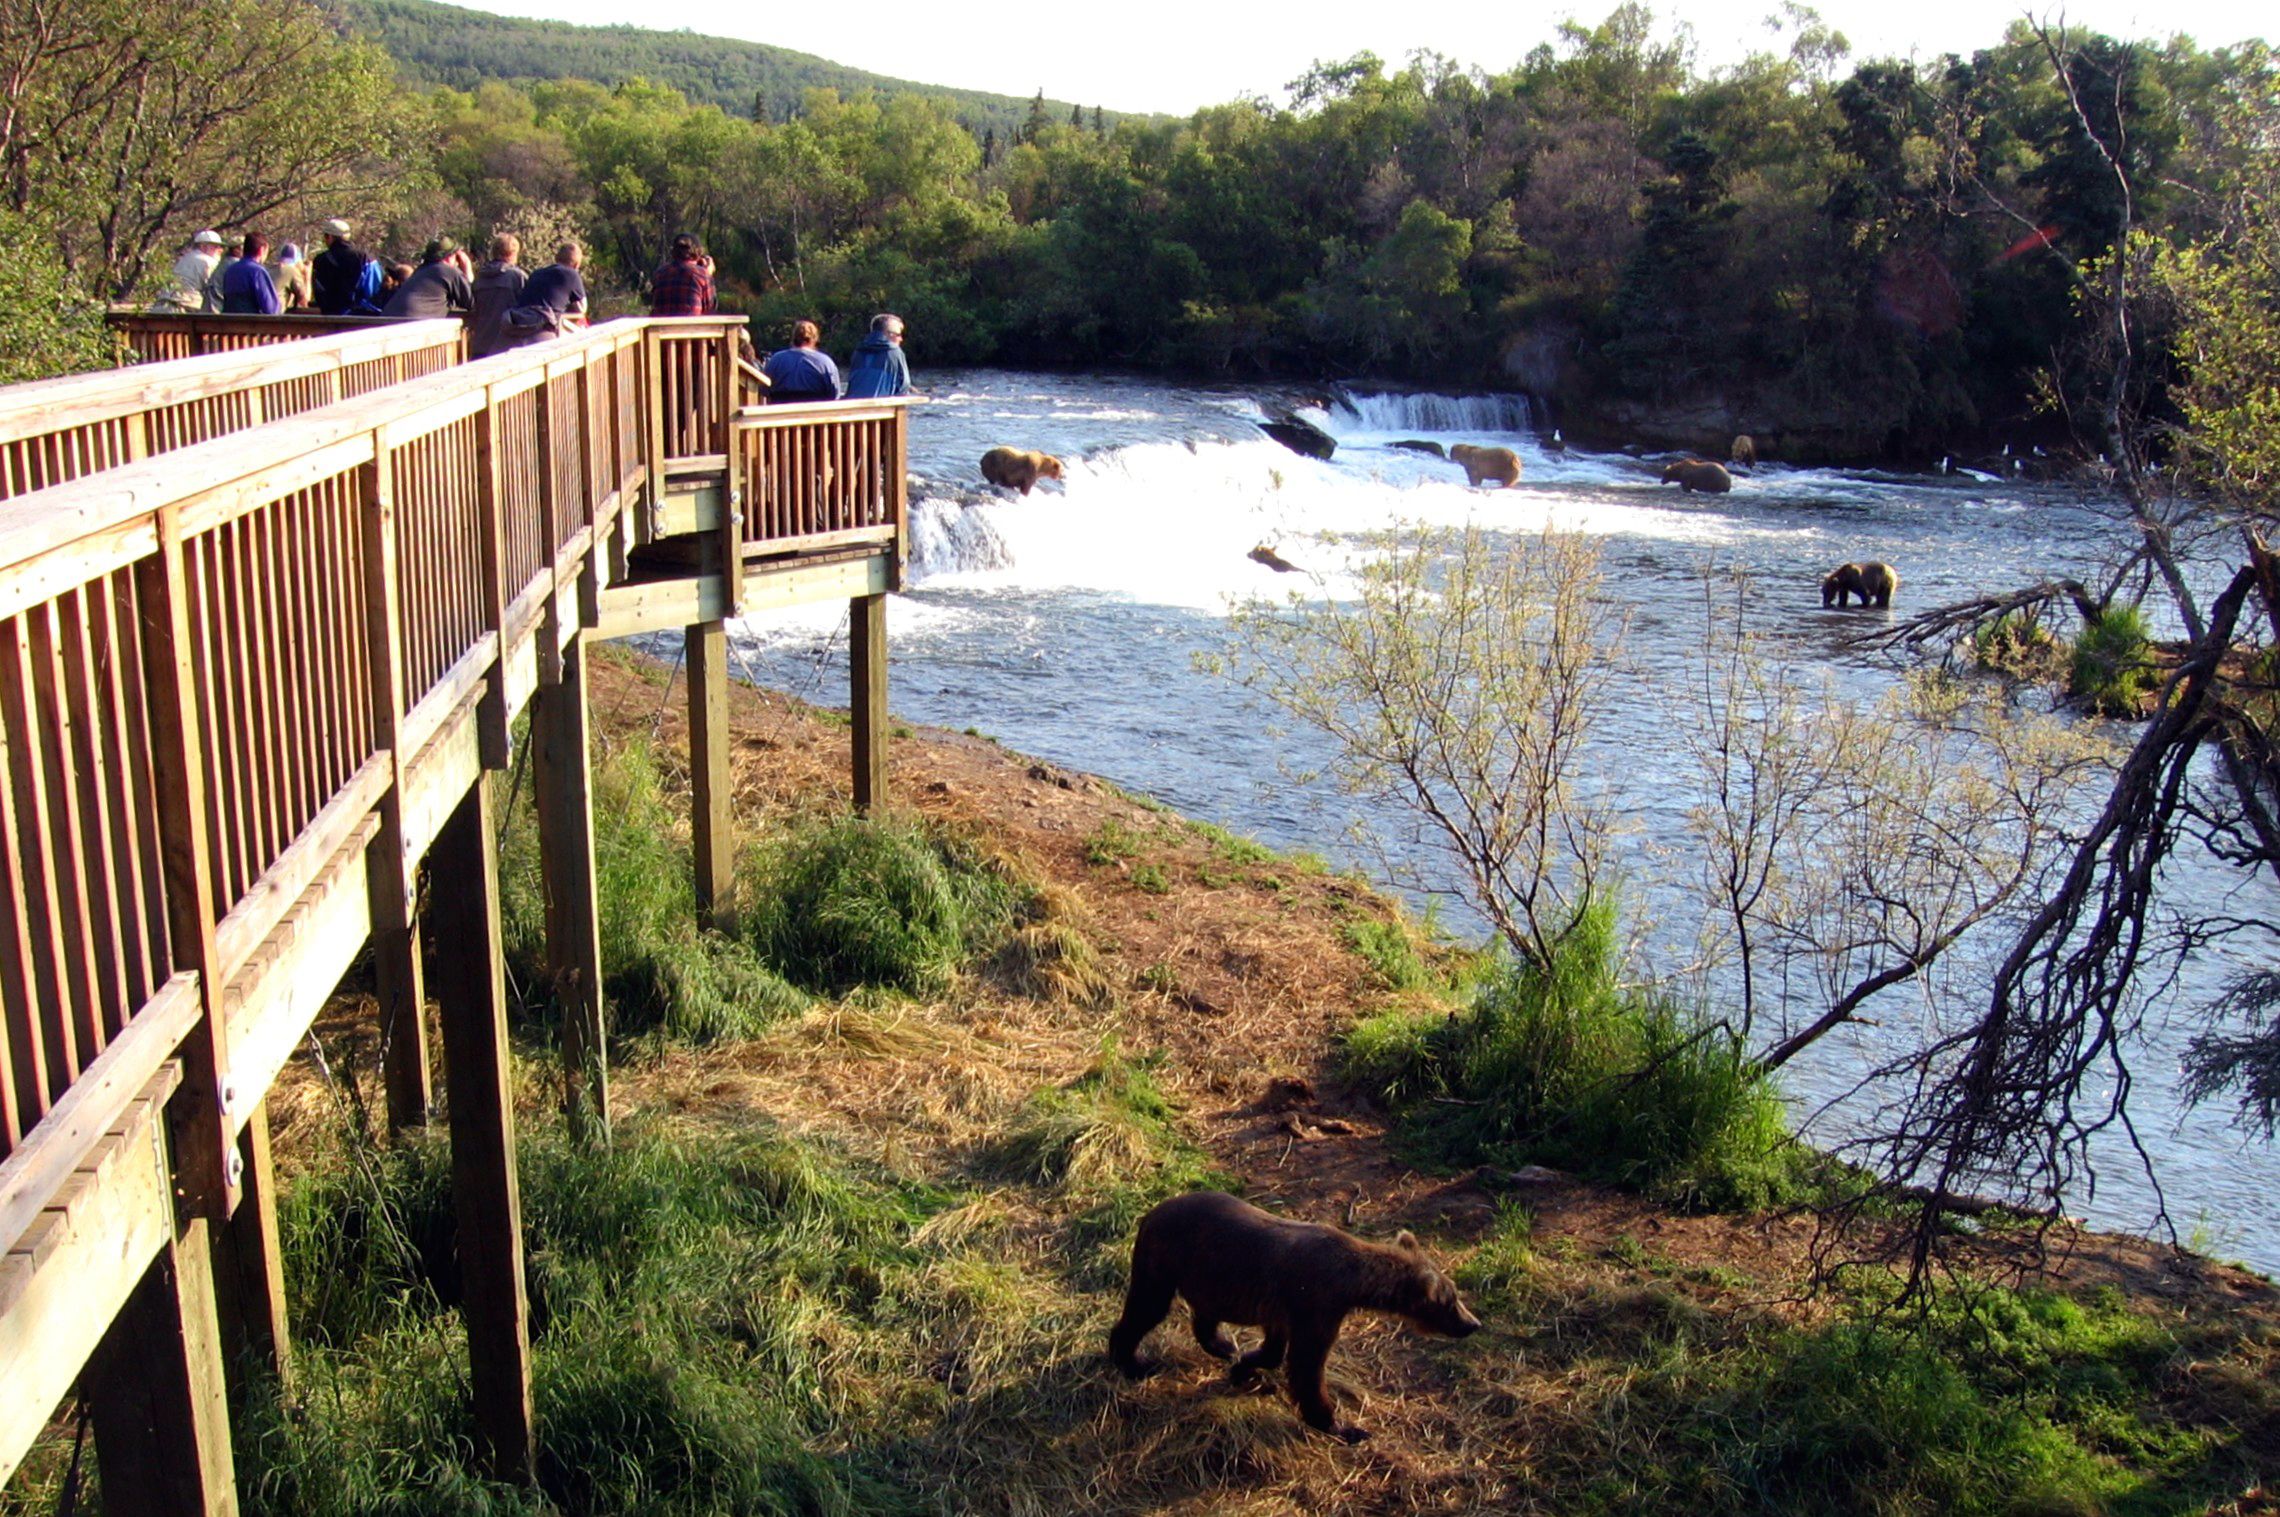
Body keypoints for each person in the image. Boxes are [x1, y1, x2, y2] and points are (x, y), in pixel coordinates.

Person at [497, 241, 590, 349]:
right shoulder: (572, 274)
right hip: (544, 331)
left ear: (556, 258)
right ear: (576, 265)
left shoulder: (536, 273)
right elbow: (582, 309)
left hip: (516, 329)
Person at [467, 233, 527, 358]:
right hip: (507, 346)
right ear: (513, 253)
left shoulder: (480, 277)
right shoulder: (517, 277)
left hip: (480, 344)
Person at [383, 238, 474, 319]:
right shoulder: (447, 271)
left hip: (385, 322)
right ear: (449, 257)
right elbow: (473, 303)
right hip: (411, 327)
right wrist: (467, 269)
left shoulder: (420, 270)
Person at [761, 319, 841, 403]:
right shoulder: (825, 362)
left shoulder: (775, 360)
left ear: (793, 337)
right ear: (814, 339)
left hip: (782, 413)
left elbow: (764, 390)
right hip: (815, 414)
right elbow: (835, 394)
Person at [152, 229, 225, 313]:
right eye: (216, 247)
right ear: (203, 246)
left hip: (162, 307)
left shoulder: (184, 259)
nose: (220, 250)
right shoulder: (208, 262)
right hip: (185, 309)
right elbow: (215, 290)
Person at [843, 312, 912, 399]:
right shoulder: (895, 352)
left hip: (854, 408)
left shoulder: (858, 351)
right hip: (882, 409)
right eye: (898, 335)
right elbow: (904, 386)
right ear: (888, 334)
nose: (901, 339)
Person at [311, 218, 372, 316]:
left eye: (325, 236)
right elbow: (373, 286)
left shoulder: (320, 260)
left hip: (330, 315)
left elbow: (318, 290)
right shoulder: (364, 257)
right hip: (360, 314)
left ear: (330, 237)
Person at [648, 233, 715, 317]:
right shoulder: (702, 274)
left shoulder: (660, 273)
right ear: (698, 252)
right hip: (691, 328)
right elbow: (710, 308)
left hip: (661, 328)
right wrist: (708, 275)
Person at [218, 233, 282, 314]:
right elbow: (271, 308)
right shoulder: (257, 271)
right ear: (261, 250)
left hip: (229, 322)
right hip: (251, 323)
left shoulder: (230, 270)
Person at [275, 243, 313, 312]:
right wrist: (308, 276)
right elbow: (305, 301)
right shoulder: (292, 271)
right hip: (275, 317)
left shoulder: (270, 269)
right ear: (298, 261)